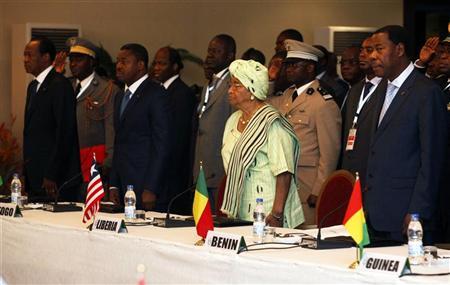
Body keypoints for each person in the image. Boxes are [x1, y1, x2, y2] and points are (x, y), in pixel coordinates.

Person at [365, 25, 447, 244]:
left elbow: (432, 160)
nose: (372, 56)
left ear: (399, 49)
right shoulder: (381, 88)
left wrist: (418, 210)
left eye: (379, 49)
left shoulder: (426, 92)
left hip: (407, 217)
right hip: (375, 214)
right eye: (371, 50)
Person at [221, 59, 304, 228]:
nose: (230, 90)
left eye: (237, 85)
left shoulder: (272, 123)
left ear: (253, 90)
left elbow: (284, 172)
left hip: (267, 213)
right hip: (240, 209)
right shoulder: (232, 120)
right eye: (231, 84)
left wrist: (276, 214)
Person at [269, 40, 341, 225]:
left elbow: (330, 152)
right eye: (287, 65)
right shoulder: (286, 96)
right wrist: (270, 80)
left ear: (310, 67)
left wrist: (319, 190)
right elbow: (262, 104)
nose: (288, 69)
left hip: (306, 185)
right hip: (281, 184)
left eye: (294, 65)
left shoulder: (322, 102)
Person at [109, 43, 172, 211]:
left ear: (140, 65)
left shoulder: (156, 94)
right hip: (123, 184)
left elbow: (162, 144)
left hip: (145, 185)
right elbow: (119, 142)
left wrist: (151, 187)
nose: (119, 66)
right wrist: (114, 183)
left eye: (124, 61)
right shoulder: (120, 96)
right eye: (118, 61)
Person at [23, 36, 81, 201]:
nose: (25, 59)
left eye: (29, 55)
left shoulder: (59, 85)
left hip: (55, 179)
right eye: (24, 55)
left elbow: (64, 132)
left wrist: (52, 174)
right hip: (36, 175)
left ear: (46, 57)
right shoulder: (33, 86)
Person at [68, 38, 120, 200]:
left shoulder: (107, 89)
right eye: (72, 59)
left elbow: (111, 128)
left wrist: (109, 162)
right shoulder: (65, 86)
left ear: (92, 62)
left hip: (93, 164)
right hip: (69, 165)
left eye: (79, 59)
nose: (73, 64)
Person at [151, 46, 196, 214]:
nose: (156, 68)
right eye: (155, 63)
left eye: (162, 64)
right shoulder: (158, 91)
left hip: (173, 175)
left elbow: (177, 138)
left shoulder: (182, 93)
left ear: (175, 67)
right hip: (160, 175)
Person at [193, 34, 235, 210]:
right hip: (203, 166)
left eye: (217, 51)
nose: (210, 55)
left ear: (230, 56)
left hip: (220, 168)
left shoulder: (233, 84)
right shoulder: (210, 82)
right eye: (210, 50)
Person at [341, 36, 384, 189]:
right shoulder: (355, 89)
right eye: (362, 50)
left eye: (369, 50)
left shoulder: (387, 89)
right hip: (350, 172)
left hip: (373, 175)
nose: (362, 54)